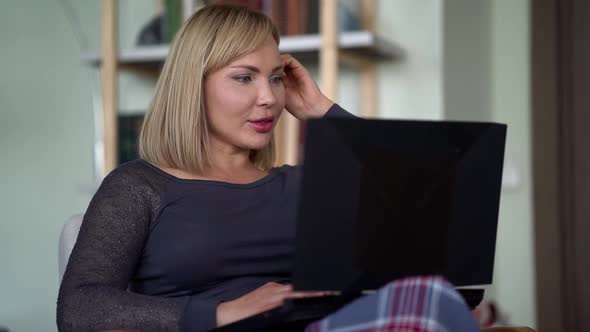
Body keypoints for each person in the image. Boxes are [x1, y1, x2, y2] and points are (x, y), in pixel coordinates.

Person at [57, 4, 479, 332]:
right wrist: (221, 312)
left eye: (276, 78)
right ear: (193, 85)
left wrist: (319, 109)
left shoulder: (301, 185)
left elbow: (424, 205)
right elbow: (80, 305)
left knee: (434, 295)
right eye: (245, 78)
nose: (269, 98)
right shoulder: (139, 186)